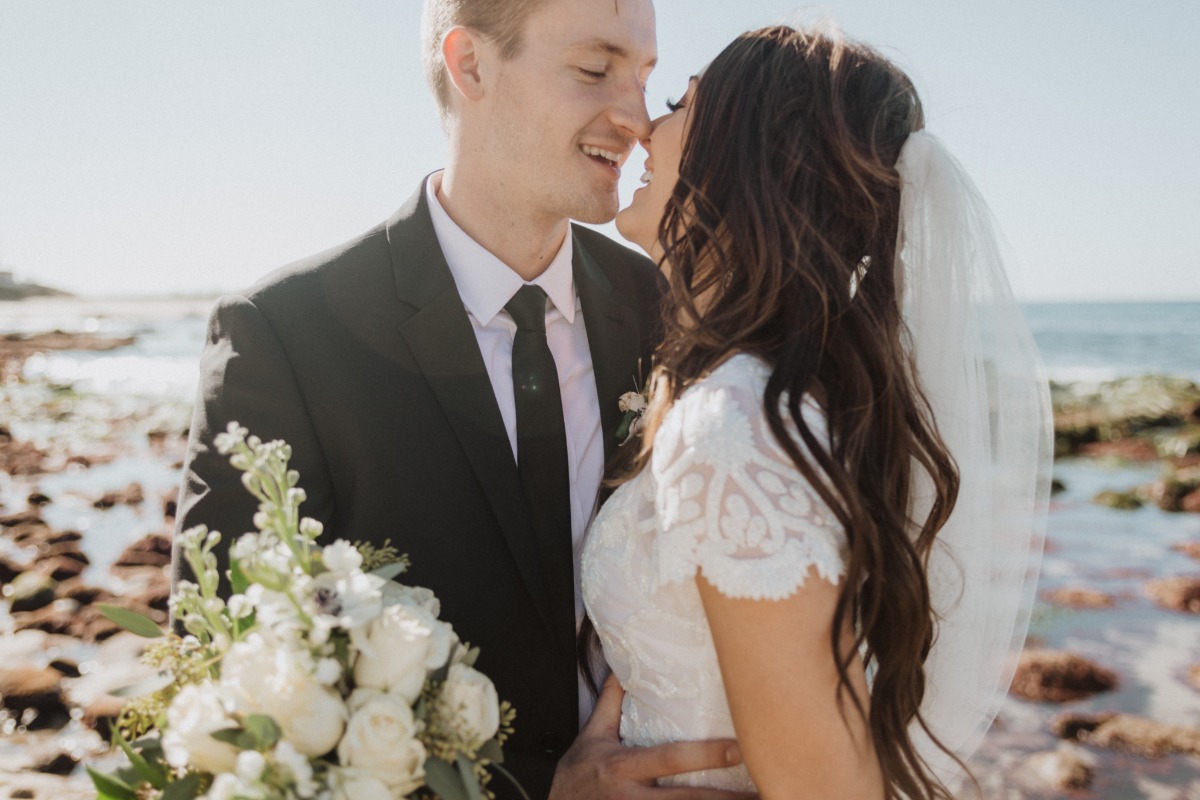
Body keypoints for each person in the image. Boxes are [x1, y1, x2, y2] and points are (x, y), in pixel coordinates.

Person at [172, 1, 748, 797]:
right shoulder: (285, 334)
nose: (637, 118)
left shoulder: (664, 308)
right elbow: (228, 677)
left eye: (645, 78)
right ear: (469, 64)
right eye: (594, 70)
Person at [581, 24, 1052, 798]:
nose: (644, 127)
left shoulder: (734, 426)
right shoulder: (781, 399)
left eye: (678, 105)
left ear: (747, 161)